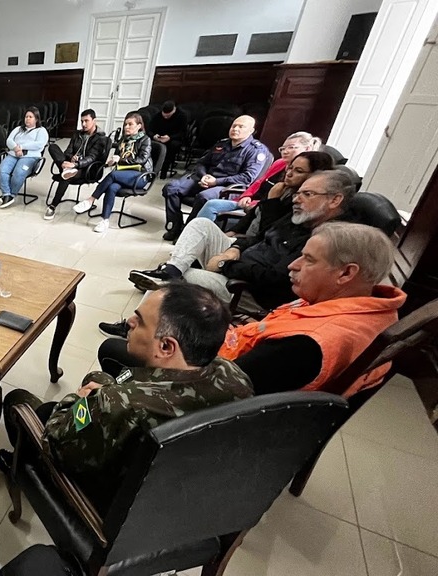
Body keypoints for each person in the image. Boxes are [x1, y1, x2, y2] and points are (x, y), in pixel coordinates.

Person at [0, 283, 252, 510]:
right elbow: (124, 388)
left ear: (166, 346)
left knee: (17, 400)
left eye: (140, 321)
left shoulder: (118, 404)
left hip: (113, 496)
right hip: (181, 490)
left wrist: (79, 400)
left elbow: (55, 442)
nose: (129, 320)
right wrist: (105, 391)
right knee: (98, 377)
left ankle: (22, 464)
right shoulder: (234, 376)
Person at [101, 223, 405, 398]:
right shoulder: (363, 308)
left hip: (213, 386)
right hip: (231, 353)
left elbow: (222, 393)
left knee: (115, 349)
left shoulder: (308, 345)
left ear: (346, 273)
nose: (293, 264)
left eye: (309, 260)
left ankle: (118, 404)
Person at [129, 165, 354, 310]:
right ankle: (171, 269)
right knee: (201, 225)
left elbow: (274, 279)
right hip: (240, 259)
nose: (297, 199)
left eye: (308, 194)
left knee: (176, 280)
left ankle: (136, 321)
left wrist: (227, 265)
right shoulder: (301, 217)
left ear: (335, 200)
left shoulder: (323, 239)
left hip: (247, 289)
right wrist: (234, 248)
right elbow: (259, 236)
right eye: (298, 193)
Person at [161, 115, 269, 241]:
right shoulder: (222, 144)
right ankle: (176, 225)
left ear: (251, 131)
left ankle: (187, 231)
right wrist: (204, 176)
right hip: (206, 179)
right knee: (171, 188)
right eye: (234, 126)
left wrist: (215, 182)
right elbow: (202, 163)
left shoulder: (256, 150)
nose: (235, 129)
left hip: (227, 186)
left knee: (204, 197)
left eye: (241, 126)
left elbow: (247, 178)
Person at [193, 131, 322, 224]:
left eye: (291, 148)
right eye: (283, 148)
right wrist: (246, 196)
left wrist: (255, 203)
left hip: (264, 208)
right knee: (211, 204)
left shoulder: (307, 174)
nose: (285, 151)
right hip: (249, 201)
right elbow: (260, 181)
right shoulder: (279, 163)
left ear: (308, 148)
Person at [70, 112, 151, 232]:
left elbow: (142, 159)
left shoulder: (145, 140)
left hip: (140, 175)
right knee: (112, 187)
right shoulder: (124, 140)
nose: (126, 127)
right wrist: (112, 161)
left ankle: (90, 200)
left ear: (139, 126)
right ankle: (105, 220)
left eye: (130, 124)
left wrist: (122, 160)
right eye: (125, 124)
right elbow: (118, 156)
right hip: (122, 174)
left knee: (113, 175)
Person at [44, 109, 108, 220]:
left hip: (86, 169)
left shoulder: (100, 138)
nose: (83, 124)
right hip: (70, 165)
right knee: (52, 147)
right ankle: (66, 169)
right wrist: (71, 157)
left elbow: (92, 158)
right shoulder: (77, 134)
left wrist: (77, 164)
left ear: (94, 121)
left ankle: (53, 206)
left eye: (86, 121)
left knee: (66, 177)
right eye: (82, 121)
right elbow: (67, 151)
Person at [0, 106, 49, 209]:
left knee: (18, 172)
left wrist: (22, 147)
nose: (27, 119)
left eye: (31, 117)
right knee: (2, 169)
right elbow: (9, 140)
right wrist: (16, 148)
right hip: (14, 154)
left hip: (30, 156)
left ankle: (12, 194)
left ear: (36, 119)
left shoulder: (41, 131)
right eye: (26, 116)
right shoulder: (18, 129)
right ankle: (6, 194)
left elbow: (39, 145)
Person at [146, 101, 187, 179]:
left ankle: (164, 171)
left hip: (173, 139)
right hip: (159, 138)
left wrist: (170, 137)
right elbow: (150, 130)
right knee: (152, 145)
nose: (165, 118)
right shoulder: (157, 116)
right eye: (164, 116)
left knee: (172, 146)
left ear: (174, 110)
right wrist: (154, 135)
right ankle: (151, 171)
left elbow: (182, 133)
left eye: (168, 116)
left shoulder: (182, 116)